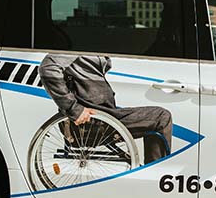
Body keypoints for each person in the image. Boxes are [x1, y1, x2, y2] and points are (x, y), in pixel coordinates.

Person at [38, 54, 173, 164]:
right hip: (93, 122)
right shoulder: (79, 43)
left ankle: (154, 169)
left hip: (102, 116)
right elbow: (48, 69)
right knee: (161, 117)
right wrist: (74, 109)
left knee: (156, 117)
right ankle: (156, 172)